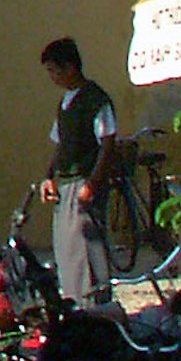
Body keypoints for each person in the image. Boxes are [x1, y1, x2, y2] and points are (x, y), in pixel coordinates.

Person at [38, 36, 121, 306]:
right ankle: (74, 301)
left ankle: (95, 305)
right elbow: (60, 144)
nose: (51, 76)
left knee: (88, 247)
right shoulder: (65, 103)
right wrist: (48, 177)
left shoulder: (95, 100)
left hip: (84, 181)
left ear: (70, 68)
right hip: (65, 183)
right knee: (67, 249)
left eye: (53, 70)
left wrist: (93, 184)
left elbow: (107, 143)